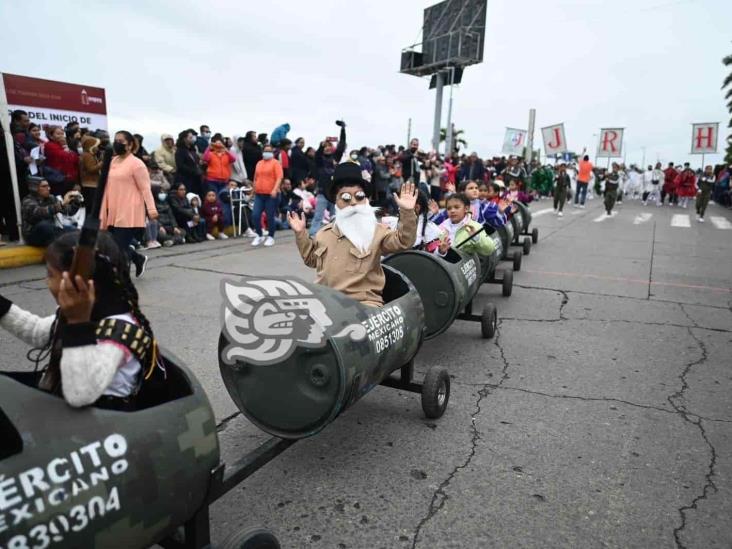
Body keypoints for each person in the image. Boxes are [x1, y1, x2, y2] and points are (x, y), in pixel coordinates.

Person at [0, 231, 163, 410]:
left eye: (50, 274)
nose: (46, 281)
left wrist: (77, 323)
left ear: (79, 283)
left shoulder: (117, 333)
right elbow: (38, 332)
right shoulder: (84, 311)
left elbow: (79, 394)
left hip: (102, 426)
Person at [289, 162, 418, 307]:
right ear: (336, 201)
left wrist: (407, 212)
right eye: (345, 197)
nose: (353, 203)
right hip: (325, 302)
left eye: (359, 196)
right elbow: (311, 260)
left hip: (363, 305)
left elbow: (403, 241)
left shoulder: (376, 231)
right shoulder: (323, 234)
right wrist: (301, 234)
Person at [99, 131, 158, 278]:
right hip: (112, 209)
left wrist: (151, 209)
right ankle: (138, 258)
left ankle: (119, 276)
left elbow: (145, 188)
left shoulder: (137, 164)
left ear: (130, 145)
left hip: (129, 209)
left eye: (121, 141)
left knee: (118, 246)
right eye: (115, 140)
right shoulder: (112, 161)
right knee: (112, 244)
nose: (117, 143)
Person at [310, 121, 347, 236]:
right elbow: (317, 154)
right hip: (322, 192)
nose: (327, 148)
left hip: (334, 193)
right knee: (318, 216)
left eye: (329, 146)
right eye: (325, 146)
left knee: (335, 217)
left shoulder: (335, 157)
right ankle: (312, 236)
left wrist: (343, 129)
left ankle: (334, 236)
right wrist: (322, 145)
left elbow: (341, 145)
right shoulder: (320, 160)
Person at [21, 176, 80, 246]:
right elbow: (40, 212)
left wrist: (76, 201)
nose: (48, 188)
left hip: (52, 230)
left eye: (48, 186)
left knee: (75, 231)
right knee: (44, 225)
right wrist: (62, 203)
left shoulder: (51, 198)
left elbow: (69, 212)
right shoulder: (27, 201)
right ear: (35, 188)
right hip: (33, 235)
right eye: (44, 186)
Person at [435, 193, 496, 258]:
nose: (452, 211)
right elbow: (434, 253)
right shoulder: (441, 228)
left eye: (456, 207)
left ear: (466, 209)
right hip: (446, 266)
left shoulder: (474, 226)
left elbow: (489, 249)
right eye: (449, 208)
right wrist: (440, 251)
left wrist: (476, 238)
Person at [251, 144, 284, 247]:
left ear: (272, 153)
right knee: (255, 215)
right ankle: (259, 235)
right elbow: (256, 178)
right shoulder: (259, 163)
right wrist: (253, 191)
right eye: (265, 150)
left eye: (269, 151)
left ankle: (271, 237)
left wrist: (275, 189)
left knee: (270, 216)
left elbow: (279, 177)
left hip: (271, 194)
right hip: (259, 194)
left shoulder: (275, 163)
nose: (267, 152)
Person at [43, 125, 80, 194]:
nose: (61, 136)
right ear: (51, 136)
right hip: (58, 180)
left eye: (62, 134)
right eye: (58, 134)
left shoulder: (63, 146)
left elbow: (76, 159)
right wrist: (68, 151)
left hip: (70, 179)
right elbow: (65, 157)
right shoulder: (49, 145)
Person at [174, 129, 203, 197]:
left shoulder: (192, 150)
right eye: (190, 137)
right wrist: (193, 171)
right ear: (185, 139)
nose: (192, 139)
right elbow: (180, 165)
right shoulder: (180, 151)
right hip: (185, 179)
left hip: (195, 179)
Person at [79, 135, 103, 207]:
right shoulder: (87, 156)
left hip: (91, 184)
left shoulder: (90, 155)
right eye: (96, 146)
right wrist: (101, 163)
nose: (97, 148)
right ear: (90, 147)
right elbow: (91, 169)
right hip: (90, 184)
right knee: (91, 204)